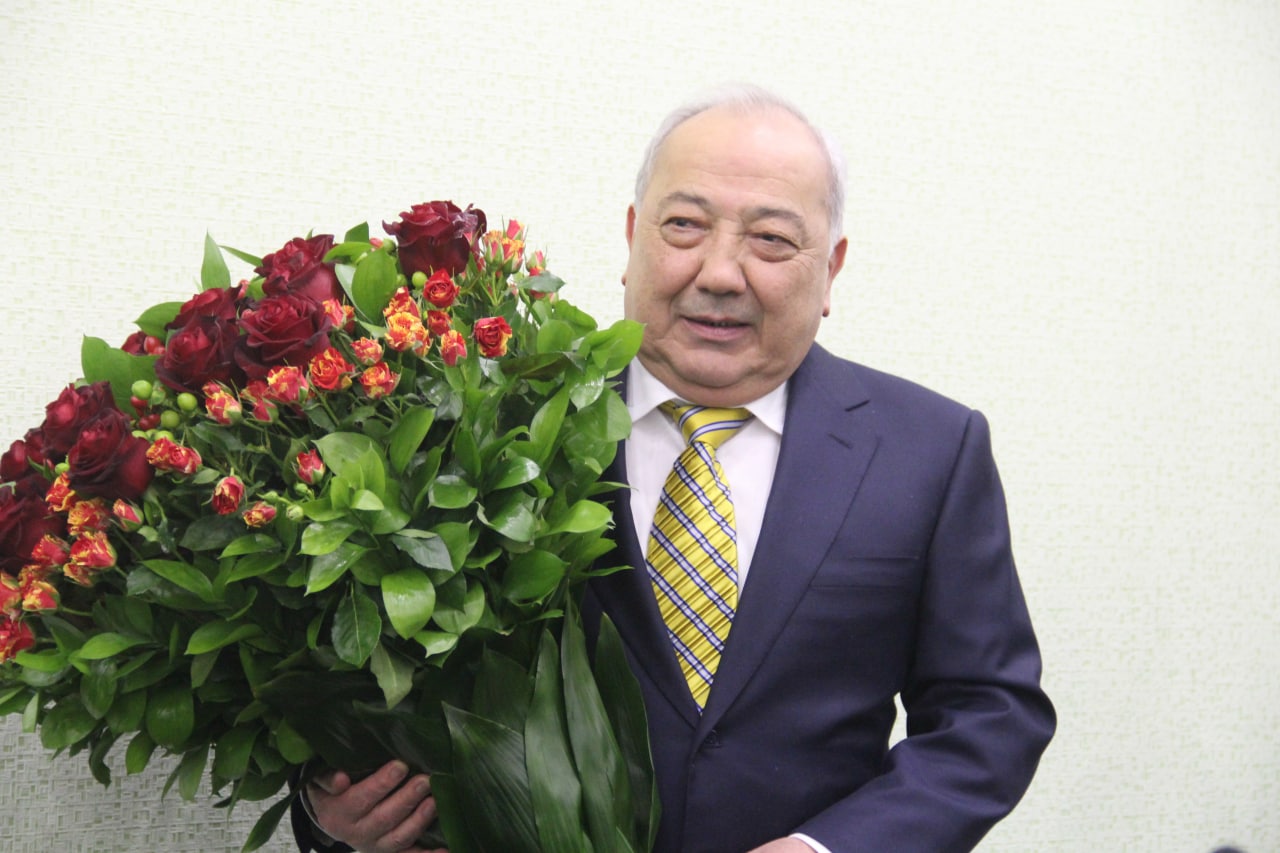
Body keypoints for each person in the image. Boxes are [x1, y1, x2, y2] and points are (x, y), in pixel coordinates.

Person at [294, 84, 1055, 853]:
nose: (720, 272)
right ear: (633, 236)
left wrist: (832, 849)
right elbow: (360, 683)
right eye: (685, 225)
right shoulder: (494, 425)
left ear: (831, 268)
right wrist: (333, 814)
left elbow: (991, 713)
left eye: (771, 239)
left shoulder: (928, 450)